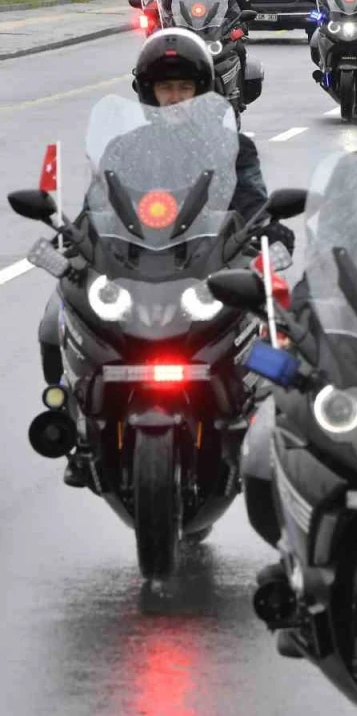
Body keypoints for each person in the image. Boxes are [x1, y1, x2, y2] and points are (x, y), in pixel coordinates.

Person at [43, 28, 292, 487]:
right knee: (56, 310)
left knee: (276, 317)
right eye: (166, 88)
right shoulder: (124, 147)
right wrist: (72, 237)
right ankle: (73, 423)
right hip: (136, 267)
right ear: (149, 93)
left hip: (206, 266)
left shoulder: (232, 146)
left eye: (184, 87)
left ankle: (267, 418)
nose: (175, 97)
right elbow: (98, 205)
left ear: (201, 91)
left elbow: (253, 202)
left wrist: (270, 229)